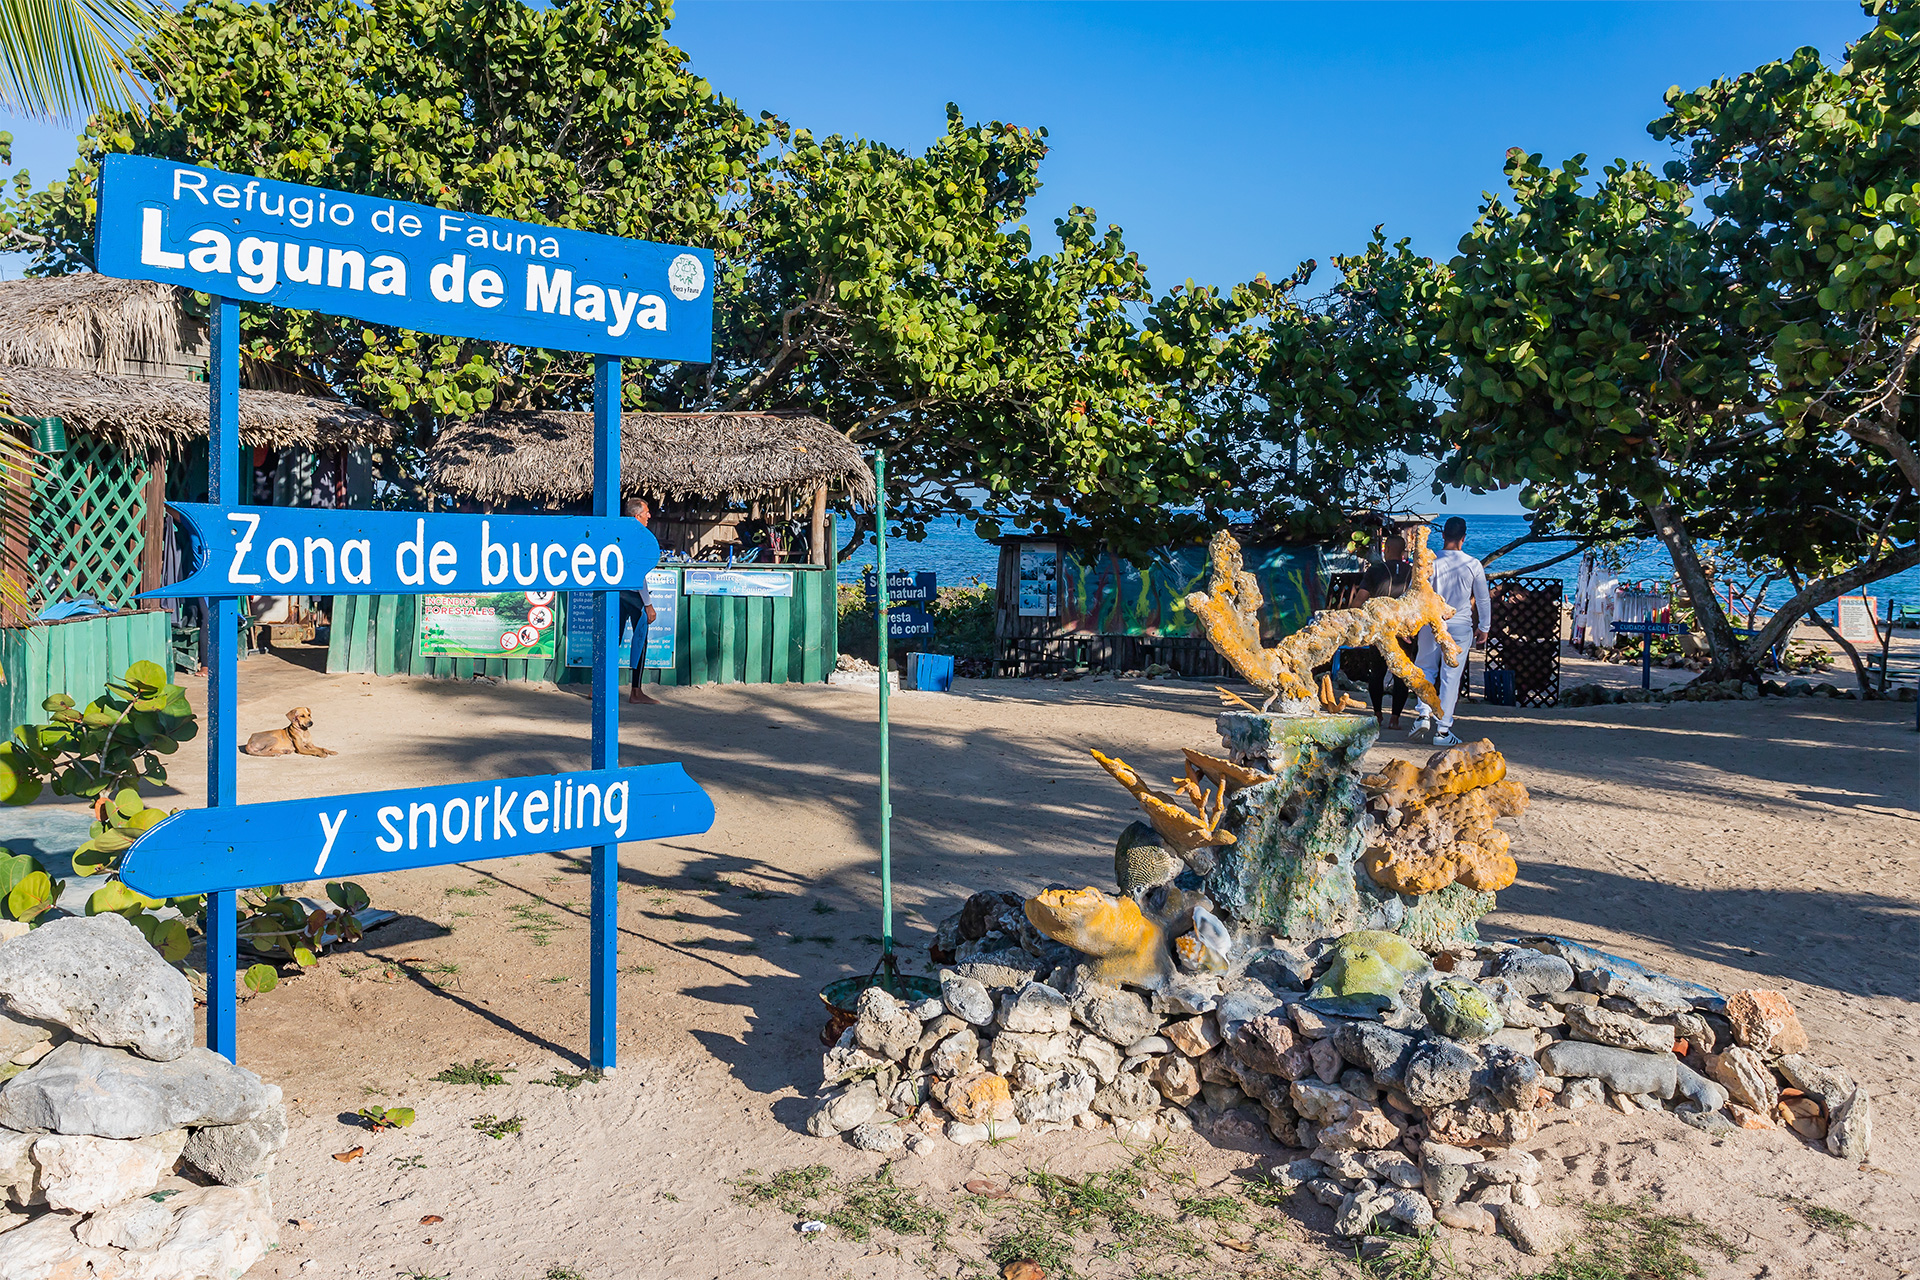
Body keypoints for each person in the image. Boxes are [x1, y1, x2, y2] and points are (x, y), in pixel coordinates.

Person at [1412, 516, 1489, 747]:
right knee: (1450, 677)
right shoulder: (1473, 564)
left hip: (1429, 622)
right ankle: (1443, 731)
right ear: (1464, 538)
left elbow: (1414, 593)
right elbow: (1483, 599)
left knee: (1425, 669)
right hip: (1460, 625)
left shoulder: (1430, 562)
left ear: (1443, 535)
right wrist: (1484, 627)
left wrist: (1409, 622)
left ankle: (1423, 714)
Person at [1349, 532, 1418, 729]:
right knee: (1401, 674)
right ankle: (1395, 718)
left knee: (1377, 672)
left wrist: (1351, 616)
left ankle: (1377, 714)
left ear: (1386, 550)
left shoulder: (1375, 571)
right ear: (1403, 552)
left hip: (1380, 629)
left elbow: (1360, 599)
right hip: (1405, 630)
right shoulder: (1412, 572)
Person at [618, 497, 660, 705]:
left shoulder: (618, 534)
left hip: (614, 592)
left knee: (611, 640)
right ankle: (636, 691)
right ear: (637, 517)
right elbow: (638, 575)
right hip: (632, 594)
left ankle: (595, 687)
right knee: (641, 638)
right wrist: (648, 604)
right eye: (647, 513)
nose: (649, 516)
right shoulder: (638, 538)